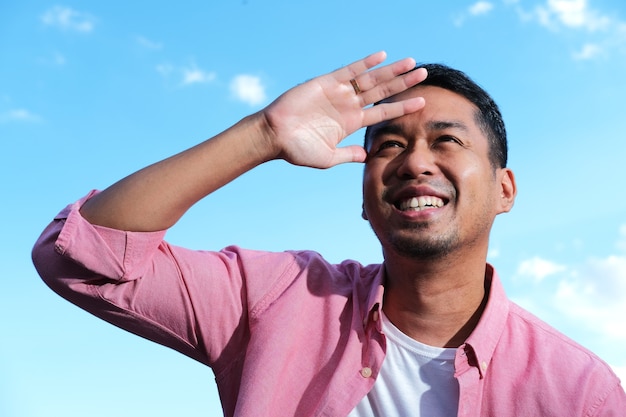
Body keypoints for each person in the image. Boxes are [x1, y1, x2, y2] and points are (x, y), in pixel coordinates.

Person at [32, 51, 625, 416]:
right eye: (389, 145)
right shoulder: (277, 300)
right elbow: (81, 255)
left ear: (504, 189)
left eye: (447, 141)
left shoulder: (579, 392)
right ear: (366, 202)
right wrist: (263, 134)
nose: (415, 163)